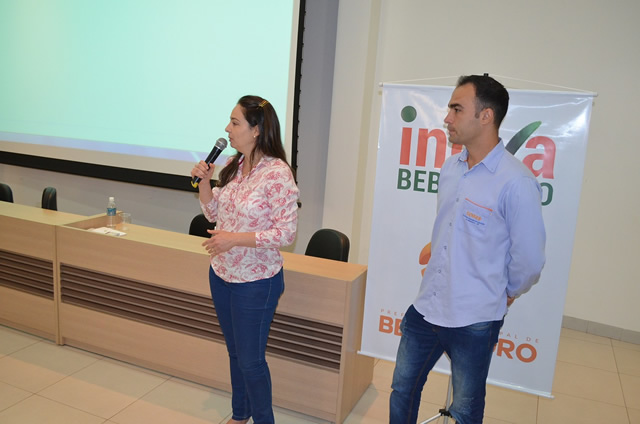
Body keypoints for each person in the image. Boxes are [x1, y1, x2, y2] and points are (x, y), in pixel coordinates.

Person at [389, 75, 546, 424]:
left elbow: (530, 260)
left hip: (474, 318)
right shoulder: (451, 168)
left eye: (457, 109)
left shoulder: (516, 182)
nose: (447, 118)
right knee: (402, 390)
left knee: (465, 410)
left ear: (486, 116)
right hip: (427, 307)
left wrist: (507, 292)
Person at [191, 95, 299, 424]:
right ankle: (240, 415)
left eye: (235, 122)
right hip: (222, 274)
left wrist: (234, 239)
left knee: (251, 362)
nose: (227, 128)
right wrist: (205, 183)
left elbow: (286, 233)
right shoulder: (235, 165)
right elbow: (213, 213)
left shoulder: (277, 173)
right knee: (236, 353)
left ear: (256, 130)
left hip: (256, 282)